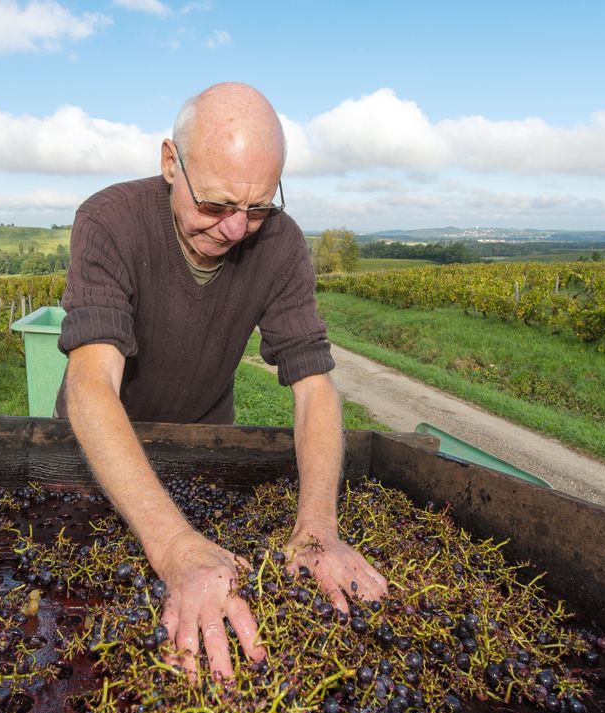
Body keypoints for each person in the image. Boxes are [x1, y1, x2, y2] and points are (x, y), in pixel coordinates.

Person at [56, 82, 387, 680]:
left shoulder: (281, 246)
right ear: (169, 163)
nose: (237, 229)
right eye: (215, 205)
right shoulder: (108, 222)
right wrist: (174, 547)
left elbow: (314, 388)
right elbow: (90, 384)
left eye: (258, 207)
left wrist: (316, 529)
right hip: (104, 453)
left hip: (204, 440)